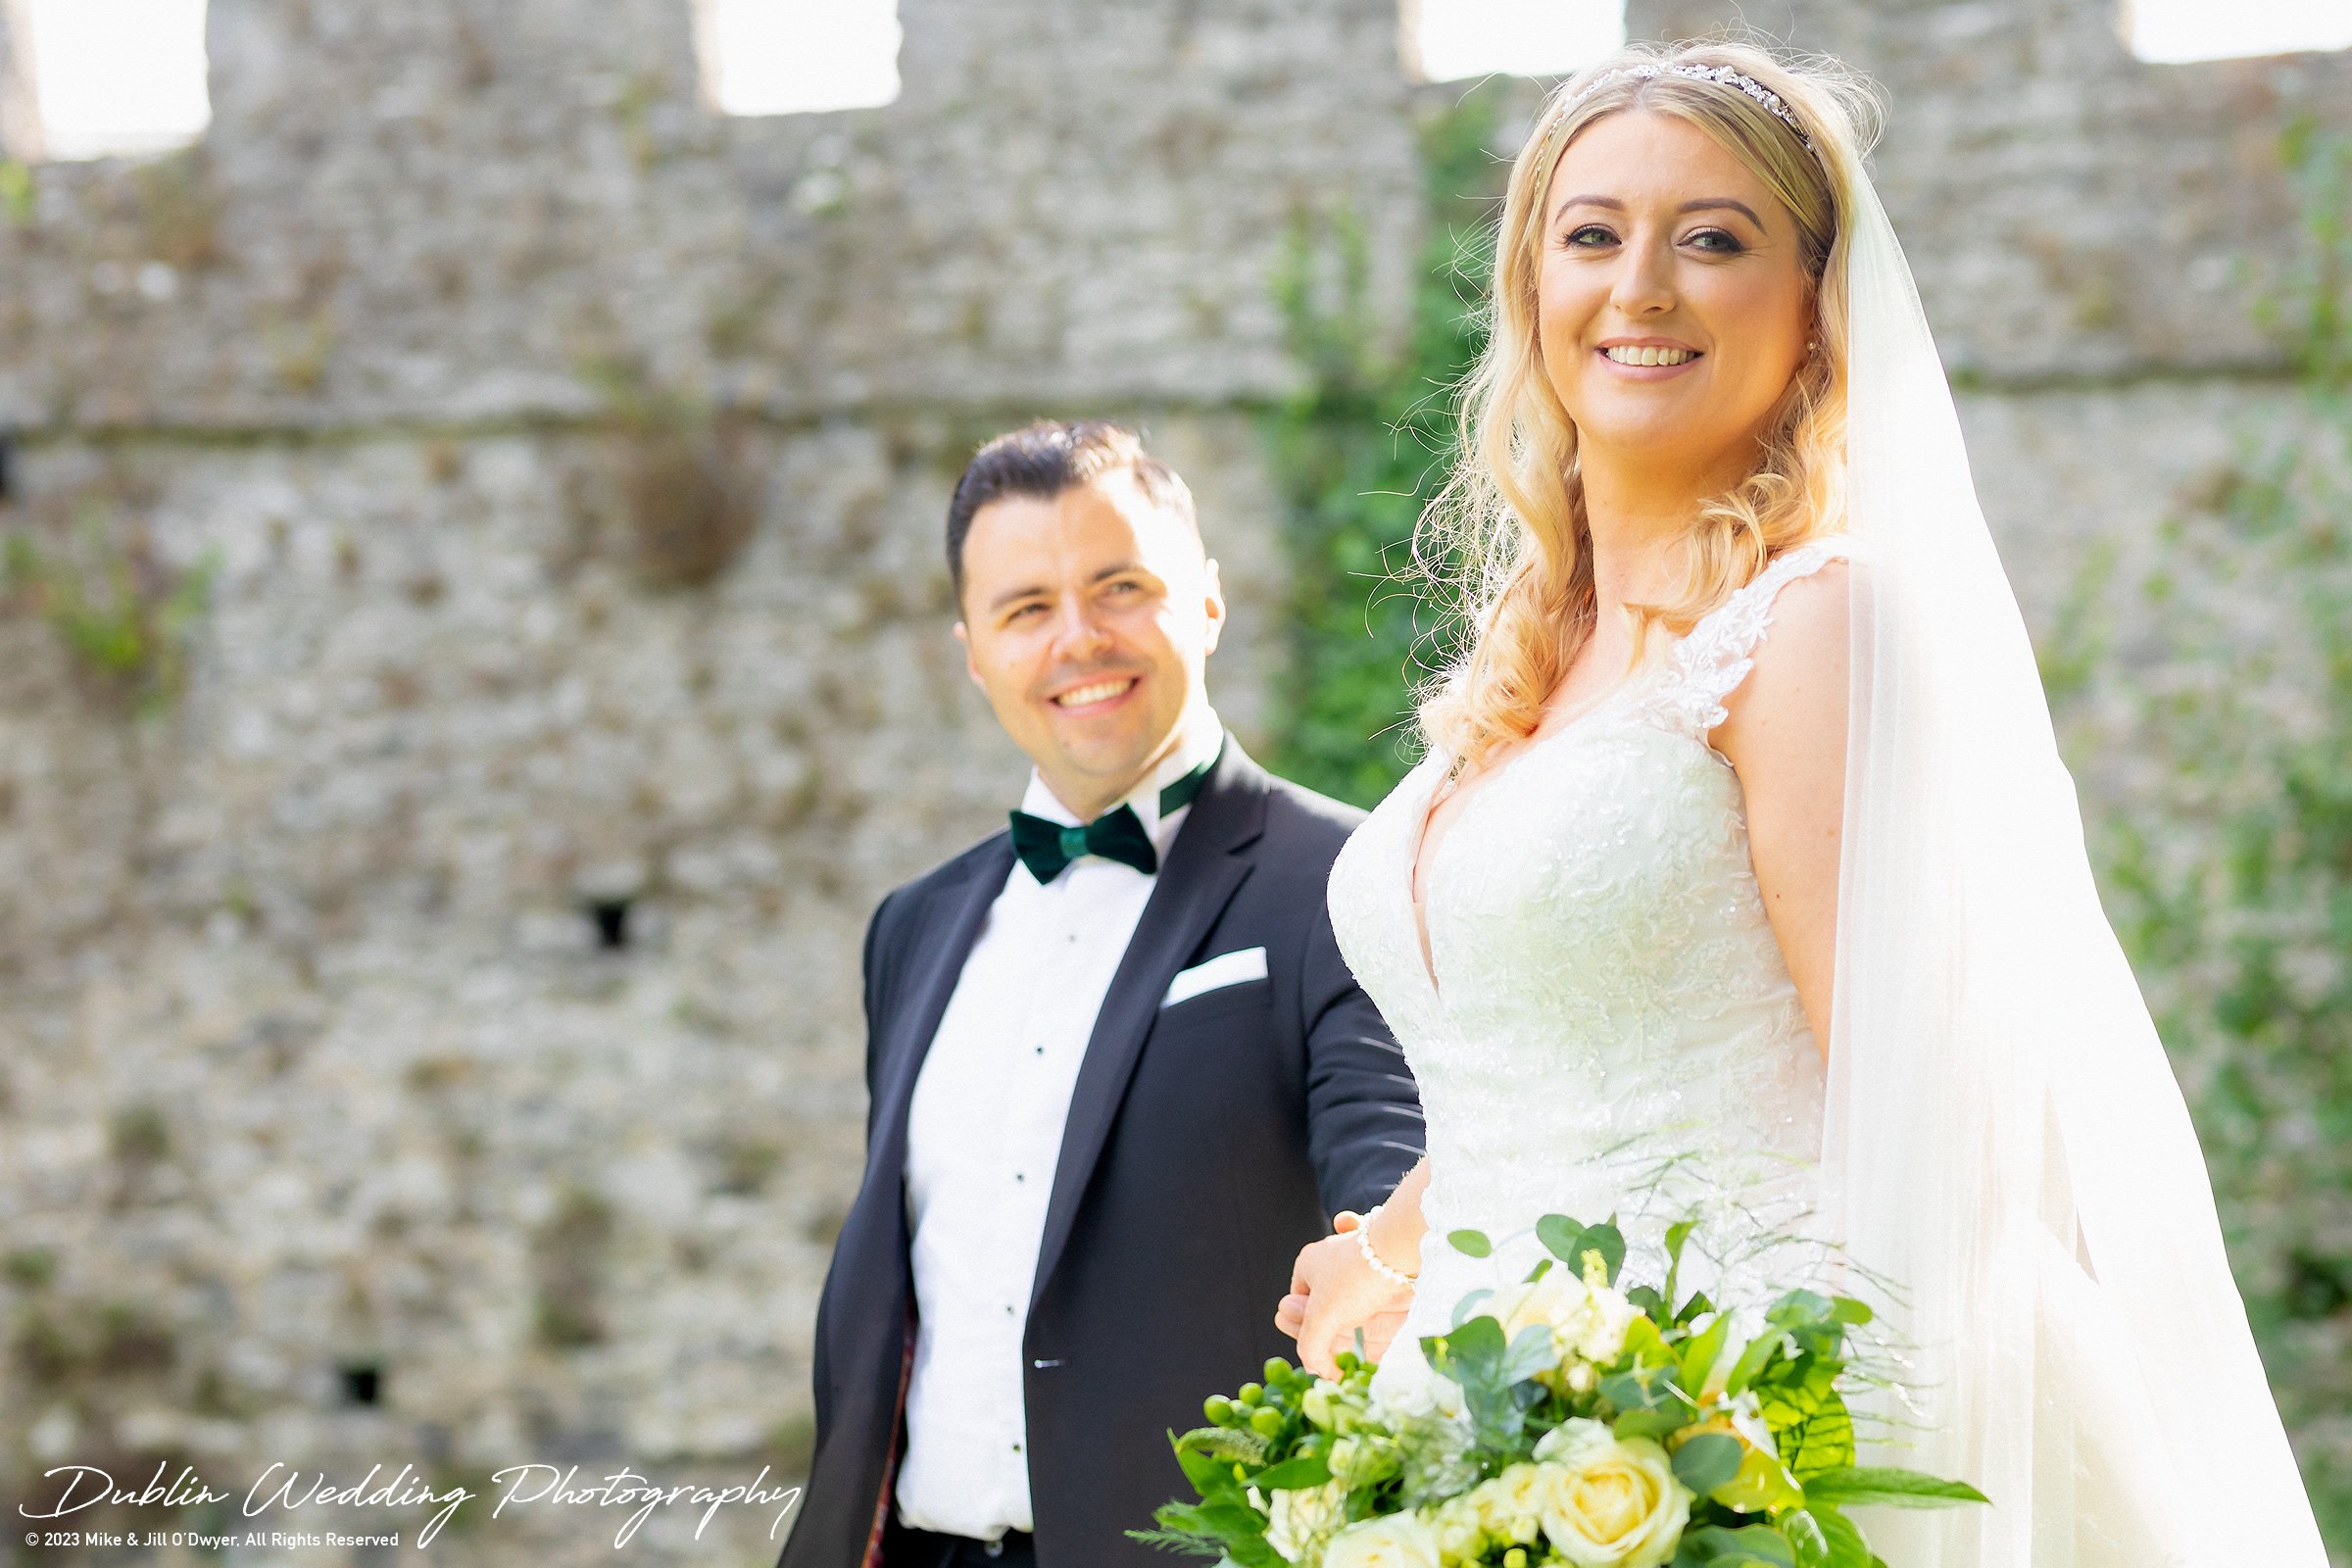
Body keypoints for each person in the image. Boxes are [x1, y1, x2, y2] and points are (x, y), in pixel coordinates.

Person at [1277, 41, 2328, 1568]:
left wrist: (1748, 1475)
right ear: (1531, 290)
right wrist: (1393, 1250)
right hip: (1482, 1437)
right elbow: (1570, 1065)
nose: (1640, 286)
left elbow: (1926, 1129)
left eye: (1712, 239)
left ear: (1816, 311)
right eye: (1593, 234)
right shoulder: (1534, 664)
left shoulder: (1814, 627)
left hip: (1740, 1448)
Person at [779, 420, 1421, 1568]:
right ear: (973, 651)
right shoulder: (912, 927)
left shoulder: (1346, 879)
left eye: (1120, 587)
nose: (1078, 639)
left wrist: (1378, 1266)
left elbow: (1389, 1185)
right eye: (1025, 608)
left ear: (1208, 601)